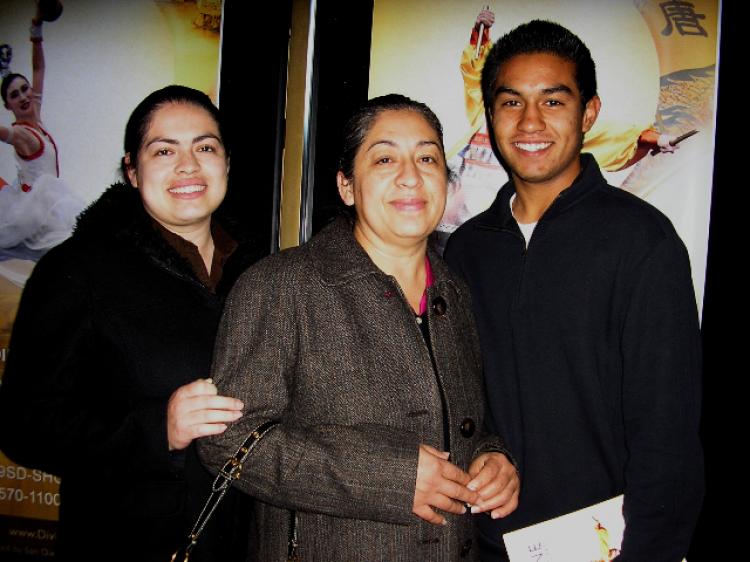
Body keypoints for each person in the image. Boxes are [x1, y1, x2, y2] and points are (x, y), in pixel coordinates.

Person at [198, 94, 520, 561]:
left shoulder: (458, 290)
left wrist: (494, 458)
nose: (411, 175)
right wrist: (388, 478)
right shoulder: (282, 285)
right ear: (347, 186)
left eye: (427, 157)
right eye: (385, 158)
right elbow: (228, 440)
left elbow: (471, 420)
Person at [444, 20, 703, 562]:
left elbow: (668, 434)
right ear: (490, 114)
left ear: (588, 112)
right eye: (511, 102)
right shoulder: (467, 249)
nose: (530, 122)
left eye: (553, 101)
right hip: (484, 542)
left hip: (606, 547)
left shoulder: (641, 241)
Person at [0, 85, 260, 561]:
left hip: (245, 542)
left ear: (227, 163)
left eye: (205, 147)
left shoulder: (260, 271)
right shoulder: (78, 270)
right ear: (132, 171)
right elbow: (24, 425)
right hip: (130, 542)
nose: (188, 165)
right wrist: (155, 427)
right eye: (164, 150)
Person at [0, 9, 83, 256]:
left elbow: (38, 70)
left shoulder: (35, 113)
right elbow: (5, 133)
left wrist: (36, 28)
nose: (25, 96)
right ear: (8, 106)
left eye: (25, 89)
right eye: (15, 95)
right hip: (36, 215)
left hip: (48, 205)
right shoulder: (22, 135)